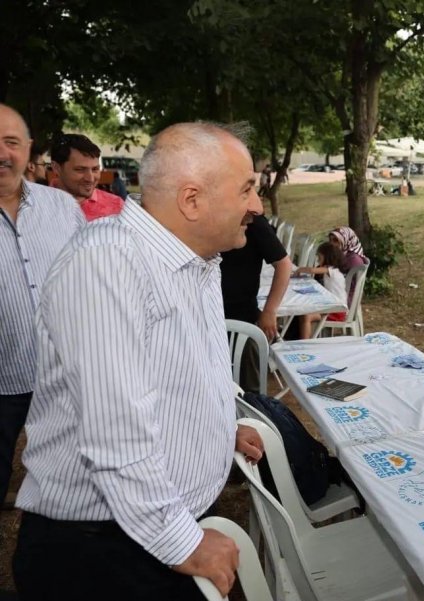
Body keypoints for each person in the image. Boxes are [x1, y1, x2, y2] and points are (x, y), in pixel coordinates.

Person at [13, 122, 266, 601]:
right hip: (102, 554)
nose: (256, 205)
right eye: (247, 189)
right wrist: (184, 544)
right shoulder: (107, 263)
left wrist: (220, 425)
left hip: (136, 536)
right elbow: (116, 434)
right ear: (191, 200)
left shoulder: (196, 260)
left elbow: (183, 368)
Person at [0, 104, 85, 513]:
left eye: (10, 142)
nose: (2, 153)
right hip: (3, 378)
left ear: (29, 149)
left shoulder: (63, 207)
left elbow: (89, 275)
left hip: (64, 372)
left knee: (73, 474)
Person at [220, 213, 292, 392]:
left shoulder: (253, 221)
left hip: (241, 320)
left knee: (249, 391)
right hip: (204, 319)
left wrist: (269, 311)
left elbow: (284, 264)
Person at [50, 133, 124, 220]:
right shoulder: (36, 205)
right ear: (56, 168)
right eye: (80, 169)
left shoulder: (117, 206)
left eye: (95, 169)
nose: (90, 179)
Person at [294, 242, 347, 339]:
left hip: (336, 310)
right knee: (304, 312)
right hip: (332, 306)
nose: (318, 260)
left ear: (327, 257)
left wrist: (299, 269)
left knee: (306, 315)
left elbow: (312, 270)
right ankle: (302, 338)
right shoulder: (334, 270)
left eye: (319, 257)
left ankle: (305, 342)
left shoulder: (331, 270)